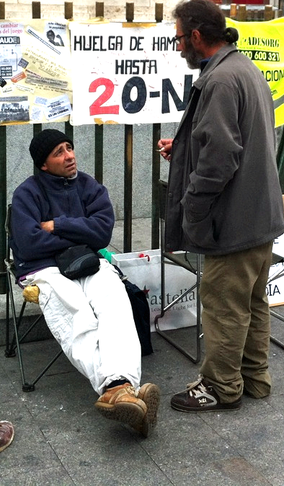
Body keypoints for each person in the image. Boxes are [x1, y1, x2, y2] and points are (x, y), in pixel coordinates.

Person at [158, 0, 284, 412]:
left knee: (222, 304)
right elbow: (230, 141)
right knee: (251, 302)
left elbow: (220, 157)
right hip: (259, 215)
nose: (178, 48)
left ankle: (221, 386)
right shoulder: (242, 68)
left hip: (235, 219)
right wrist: (182, 149)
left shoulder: (219, 81)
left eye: (179, 38)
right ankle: (254, 379)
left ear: (196, 35)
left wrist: (193, 205)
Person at [10, 129, 160, 436]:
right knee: (78, 313)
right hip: (44, 269)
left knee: (115, 303)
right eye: (58, 153)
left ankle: (119, 392)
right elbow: (28, 244)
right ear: (43, 165)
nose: (69, 155)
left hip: (88, 261)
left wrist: (58, 225)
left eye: (69, 148)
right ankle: (121, 389)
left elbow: (101, 232)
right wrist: (79, 232)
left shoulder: (89, 186)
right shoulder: (26, 194)